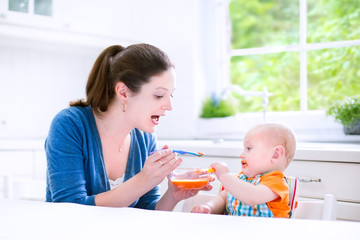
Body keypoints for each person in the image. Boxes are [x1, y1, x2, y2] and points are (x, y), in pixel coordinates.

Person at [45, 43, 211, 211]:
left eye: (171, 95)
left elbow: (147, 211)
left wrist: (173, 195)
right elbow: (67, 208)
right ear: (123, 92)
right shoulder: (70, 125)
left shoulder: (145, 137)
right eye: (159, 95)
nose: (169, 106)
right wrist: (143, 180)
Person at [191, 123, 296, 218]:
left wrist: (224, 176)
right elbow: (222, 199)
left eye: (249, 148)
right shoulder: (240, 179)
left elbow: (253, 196)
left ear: (275, 154)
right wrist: (208, 207)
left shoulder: (277, 182)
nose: (241, 155)